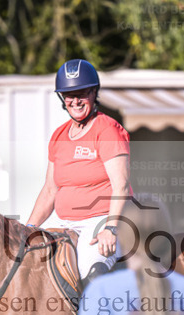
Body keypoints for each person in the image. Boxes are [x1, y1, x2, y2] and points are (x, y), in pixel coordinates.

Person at [26, 59, 132, 281]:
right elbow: (49, 190)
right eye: (68, 95)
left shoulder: (108, 130)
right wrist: (28, 228)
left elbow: (120, 184)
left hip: (103, 220)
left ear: (94, 93)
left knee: (90, 273)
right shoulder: (59, 136)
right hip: (66, 223)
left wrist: (111, 228)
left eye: (81, 93)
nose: (75, 101)